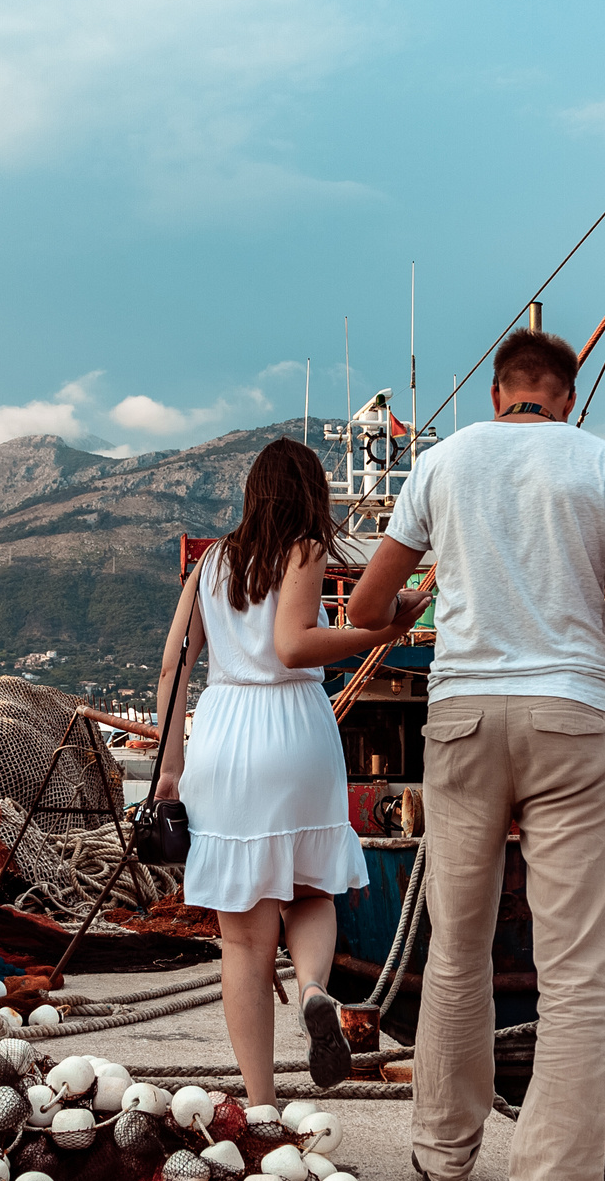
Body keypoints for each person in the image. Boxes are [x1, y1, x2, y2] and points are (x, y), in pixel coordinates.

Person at [347, 327, 605, 1181]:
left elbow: (369, 610)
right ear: (563, 397)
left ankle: (443, 1159)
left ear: (501, 394)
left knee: (455, 943)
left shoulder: (444, 461)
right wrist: (598, 640)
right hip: (574, 712)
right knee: (575, 972)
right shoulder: (603, 461)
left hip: (460, 714)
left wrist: (433, 611)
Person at [154, 438, 426, 1106]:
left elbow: (173, 666)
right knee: (310, 888)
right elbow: (294, 644)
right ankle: (312, 990)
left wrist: (169, 766)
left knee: (243, 942)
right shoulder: (304, 548)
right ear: (310, 494)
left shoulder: (211, 563)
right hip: (292, 730)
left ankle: (262, 1104)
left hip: (223, 734)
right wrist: (381, 633)